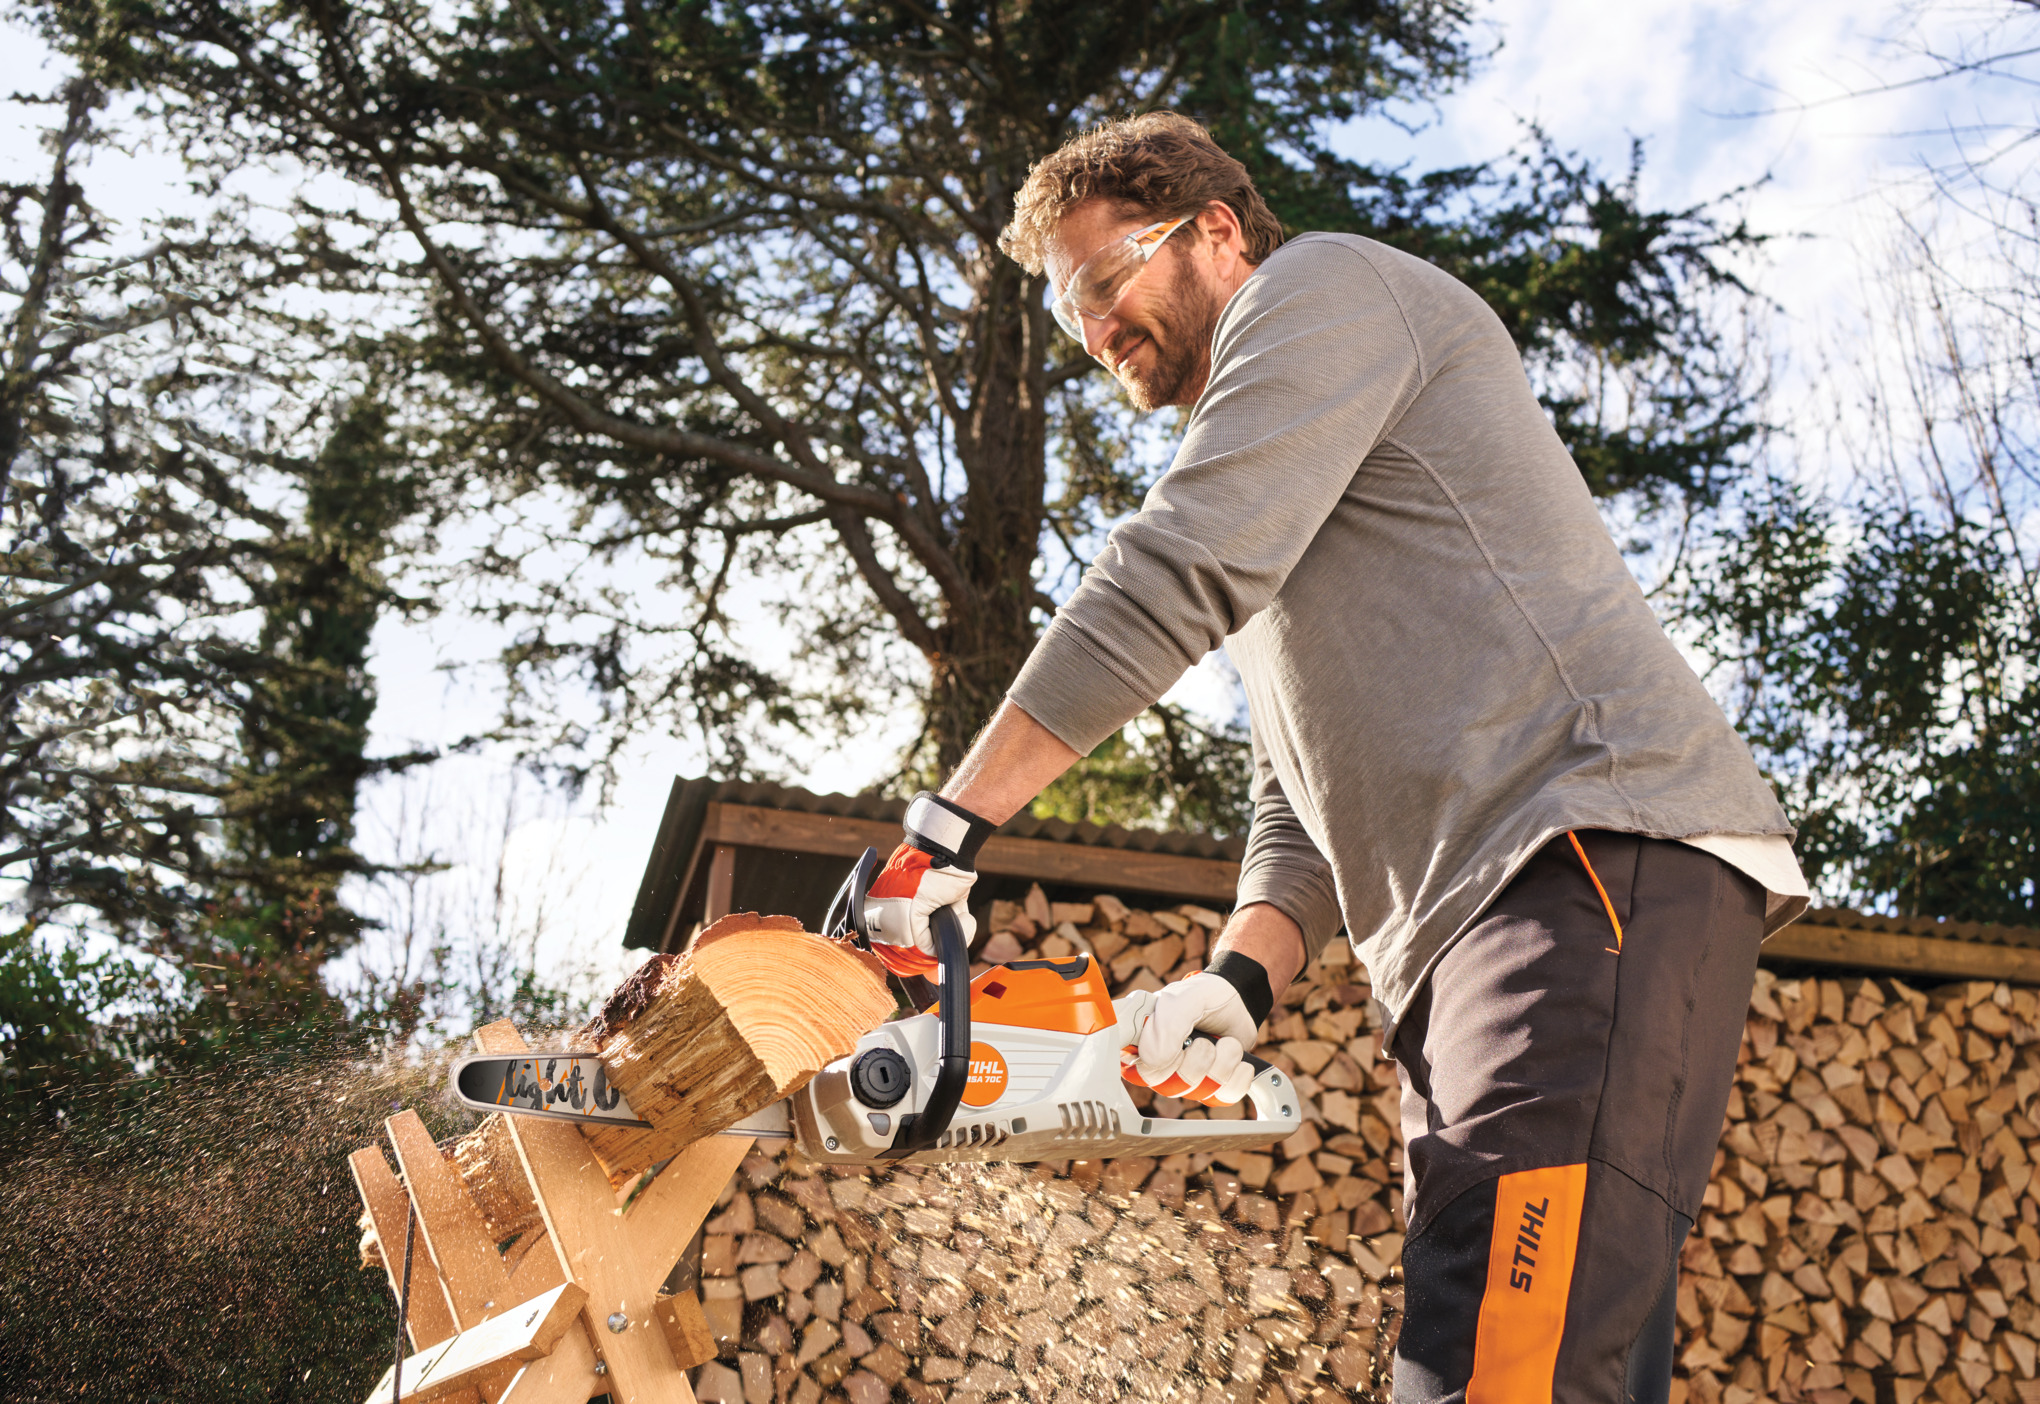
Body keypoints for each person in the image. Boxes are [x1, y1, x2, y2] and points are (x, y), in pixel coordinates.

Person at [859, 112, 1809, 1404]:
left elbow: (1176, 567)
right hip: (1479, 933)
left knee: (1494, 1370)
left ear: (1214, 231)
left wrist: (951, 831)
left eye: (1102, 284)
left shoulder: (1327, 292)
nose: (1093, 333)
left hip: (1579, 857)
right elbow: (1297, 788)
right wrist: (1243, 979)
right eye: (1070, 316)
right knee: (1540, 1361)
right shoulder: (1281, 452)